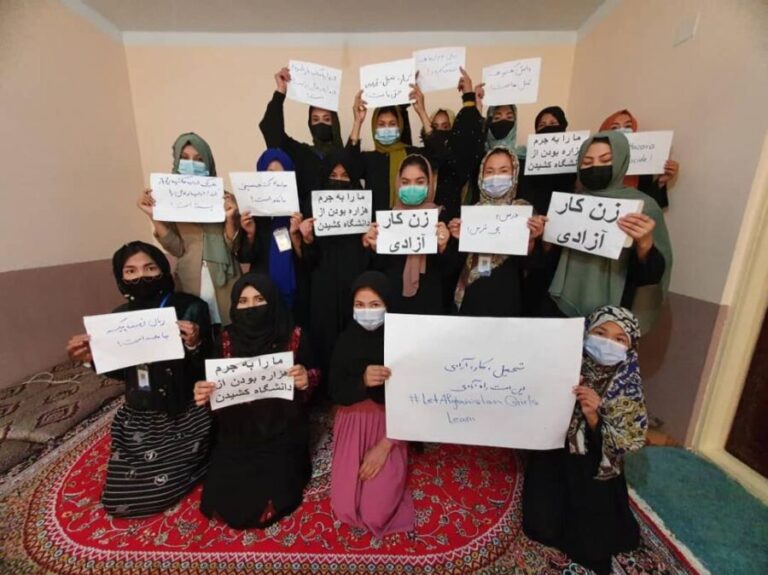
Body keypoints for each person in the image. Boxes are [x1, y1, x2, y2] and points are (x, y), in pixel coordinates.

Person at [66, 241, 212, 517]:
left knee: (162, 488)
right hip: (140, 413)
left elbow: (205, 368)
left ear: (163, 270)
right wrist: (89, 359)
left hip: (184, 410)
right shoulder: (118, 318)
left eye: (150, 268)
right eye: (130, 271)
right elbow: (120, 373)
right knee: (117, 497)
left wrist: (194, 344)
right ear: (120, 278)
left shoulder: (191, 308)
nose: (141, 276)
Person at [523, 306, 647, 575]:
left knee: (592, 543)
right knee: (540, 526)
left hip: (594, 467)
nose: (607, 343)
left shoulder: (626, 383)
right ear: (586, 333)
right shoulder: (566, 366)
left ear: (630, 347)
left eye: (619, 339)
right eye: (600, 333)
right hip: (555, 459)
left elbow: (627, 441)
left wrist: (594, 417)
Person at [193, 273, 319, 529]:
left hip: (283, 428)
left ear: (272, 301)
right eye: (243, 301)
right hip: (237, 430)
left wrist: (307, 378)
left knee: (278, 493)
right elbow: (215, 390)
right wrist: (204, 392)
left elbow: (315, 378)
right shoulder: (226, 339)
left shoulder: (294, 335)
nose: (251, 307)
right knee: (220, 497)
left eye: (259, 299)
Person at [545, 131, 673, 334]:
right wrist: (544, 235)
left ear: (621, 162)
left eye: (605, 160)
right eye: (587, 162)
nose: (595, 167)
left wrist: (645, 245)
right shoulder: (570, 203)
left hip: (614, 313)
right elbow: (552, 257)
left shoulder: (643, 206)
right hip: (561, 307)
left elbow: (652, 277)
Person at [329, 271, 414, 538]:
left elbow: (414, 401)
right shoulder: (345, 340)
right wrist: (362, 381)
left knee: (375, 514)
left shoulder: (404, 343)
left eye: (375, 304)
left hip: (390, 425)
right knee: (344, 508)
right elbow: (335, 390)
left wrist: (387, 445)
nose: (367, 312)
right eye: (360, 305)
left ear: (388, 305)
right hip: (352, 419)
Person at [137, 133, 240, 326]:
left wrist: (230, 219)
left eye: (199, 159)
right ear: (176, 161)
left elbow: (235, 247)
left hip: (226, 278)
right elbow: (176, 249)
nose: (191, 164)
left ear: (208, 162)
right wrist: (153, 215)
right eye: (184, 158)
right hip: (189, 280)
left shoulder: (225, 199)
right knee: (195, 328)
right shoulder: (169, 201)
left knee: (230, 329)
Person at [297, 150, 371, 384]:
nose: (338, 181)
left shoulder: (364, 211)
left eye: (345, 176)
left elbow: (370, 263)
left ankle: (353, 383)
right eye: (333, 175)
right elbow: (307, 264)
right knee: (324, 335)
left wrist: (367, 244)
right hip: (323, 288)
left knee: (353, 335)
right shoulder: (312, 208)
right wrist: (308, 240)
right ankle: (327, 387)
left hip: (354, 284)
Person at [448, 147, 547, 317]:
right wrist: (457, 239)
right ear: (481, 175)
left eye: (504, 171)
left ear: (514, 174)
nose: (496, 177)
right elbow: (454, 265)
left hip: (506, 298)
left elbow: (532, 268)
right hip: (470, 298)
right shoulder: (472, 213)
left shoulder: (524, 213)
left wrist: (530, 240)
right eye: (489, 171)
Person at [362, 154, 452, 315]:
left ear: (430, 183)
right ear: (398, 183)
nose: (412, 188)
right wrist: (375, 247)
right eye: (405, 182)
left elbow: (450, 271)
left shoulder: (441, 219)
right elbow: (378, 268)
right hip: (394, 300)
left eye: (419, 182)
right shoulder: (388, 219)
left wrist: (444, 246)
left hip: (429, 303)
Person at [259, 67, 345, 214]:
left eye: (326, 119)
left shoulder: (348, 157)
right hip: (304, 225)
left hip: (340, 224)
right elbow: (271, 130)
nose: (321, 124)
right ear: (310, 124)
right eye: (315, 119)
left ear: (335, 123)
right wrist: (280, 92)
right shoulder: (302, 153)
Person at [346, 84, 444, 212]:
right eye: (381, 124)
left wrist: (421, 112)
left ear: (400, 126)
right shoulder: (368, 159)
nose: (387, 129)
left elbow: (439, 155)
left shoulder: (412, 155)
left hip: (412, 221)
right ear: (374, 127)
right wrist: (357, 122)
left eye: (392, 124)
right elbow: (349, 168)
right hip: (377, 223)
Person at [234, 148, 305, 320]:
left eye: (282, 174)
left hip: (294, 289)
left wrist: (296, 235)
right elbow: (244, 257)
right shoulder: (252, 211)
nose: (275, 179)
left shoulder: (300, 209)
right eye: (269, 173)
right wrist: (250, 234)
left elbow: (309, 260)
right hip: (260, 290)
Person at [599, 109, 680, 209]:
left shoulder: (642, 161)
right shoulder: (594, 162)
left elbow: (649, 203)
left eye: (628, 126)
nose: (622, 130)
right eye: (615, 127)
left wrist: (661, 181)